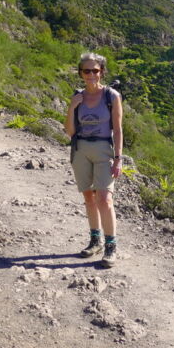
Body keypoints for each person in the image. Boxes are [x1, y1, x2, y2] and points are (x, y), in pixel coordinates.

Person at [64, 52, 123, 267]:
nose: (91, 75)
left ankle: (111, 246)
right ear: (81, 73)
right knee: (89, 198)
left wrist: (118, 158)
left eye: (95, 71)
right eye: (86, 71)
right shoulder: (77, 97)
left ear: (102, 72)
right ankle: (95, 241)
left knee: (105, 199)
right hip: (80, 150)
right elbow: (69, 131)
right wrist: (72, 106)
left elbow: (118, 130)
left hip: (104, 151)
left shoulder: (112, 96)